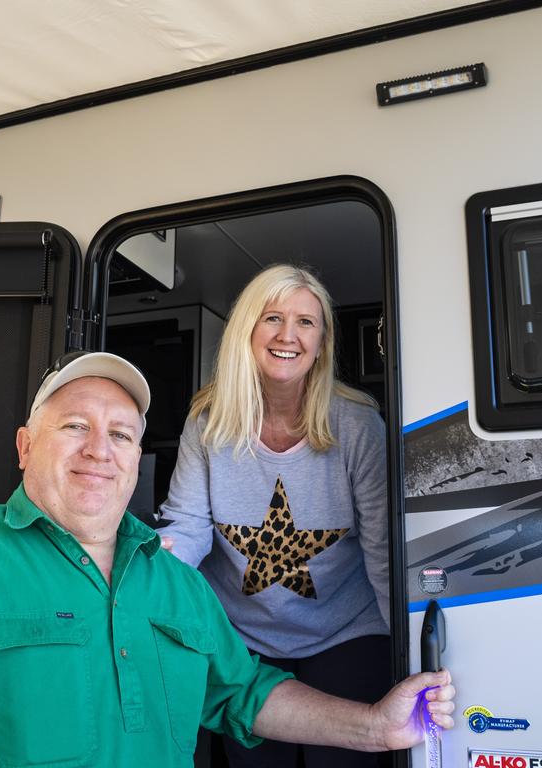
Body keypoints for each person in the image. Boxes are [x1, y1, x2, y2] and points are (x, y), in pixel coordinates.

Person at [0, 351, 453, 767]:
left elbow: (244, 693)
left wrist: (373, 728)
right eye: (74, 426)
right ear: (26, 446)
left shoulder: (173, 584)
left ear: (139, 459)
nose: (99, 448)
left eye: (121, 433)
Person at [159, 264, 390, 767]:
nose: (289, 335)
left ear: (322, 341)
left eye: (306, 322)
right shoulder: (207, 422)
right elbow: (188, 526)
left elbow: (382, 548)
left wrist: (413, 644)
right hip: (241, 637)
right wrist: (154, 571)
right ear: (248, 329)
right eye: (273, 318)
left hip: (345, 629)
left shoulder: (358, 425)